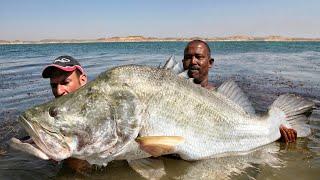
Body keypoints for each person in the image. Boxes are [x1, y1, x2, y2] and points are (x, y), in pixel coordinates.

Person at [182, 40, 297, 143]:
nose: (193, 61)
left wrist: (277, 133)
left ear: (210, 62)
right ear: (182, 62)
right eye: (188, 57)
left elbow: (250, 123)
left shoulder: (224, 96)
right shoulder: (173, 93)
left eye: (199, 57)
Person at [42, 55, 90, 172]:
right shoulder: (55, 112)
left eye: (65, 82)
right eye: (54, 85)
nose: (58, 91)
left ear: (82, 80)